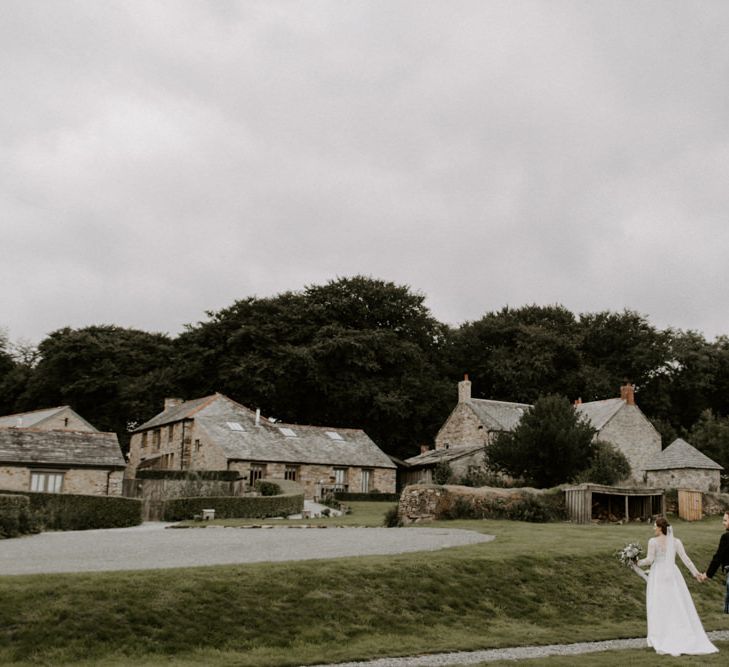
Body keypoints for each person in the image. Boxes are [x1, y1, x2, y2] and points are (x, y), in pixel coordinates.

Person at [636, 515, 718, 656]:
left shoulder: (653, 542)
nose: (653, 528)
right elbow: (686, 559)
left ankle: (662, 635)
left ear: (661, 528)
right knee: (675, 602)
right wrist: (696, 573)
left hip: (658, 575)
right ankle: (675, 632)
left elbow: (649, 560)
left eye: (655, 525)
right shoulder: (675, 541)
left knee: (659, 603)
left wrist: (636, 562)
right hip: (673, 574)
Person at [700, 511, 729, 611]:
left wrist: (707, 574)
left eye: (725, 520)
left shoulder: (726, 537)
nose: (723, 523)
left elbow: (718, 558)